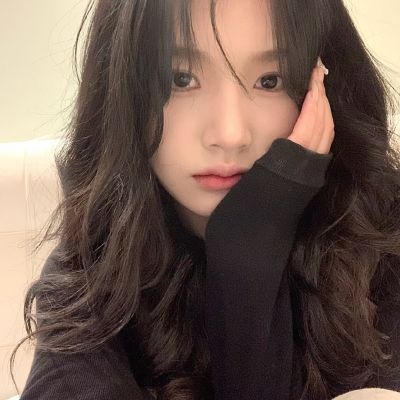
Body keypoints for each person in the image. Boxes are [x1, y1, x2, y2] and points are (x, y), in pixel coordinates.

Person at [10, 0, 400, 399]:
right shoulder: (93, 270)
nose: (230, 134)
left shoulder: (383, 247)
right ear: (120, 92)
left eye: (270, 80)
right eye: (180, 79)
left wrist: (249, 240)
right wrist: (251, 247)